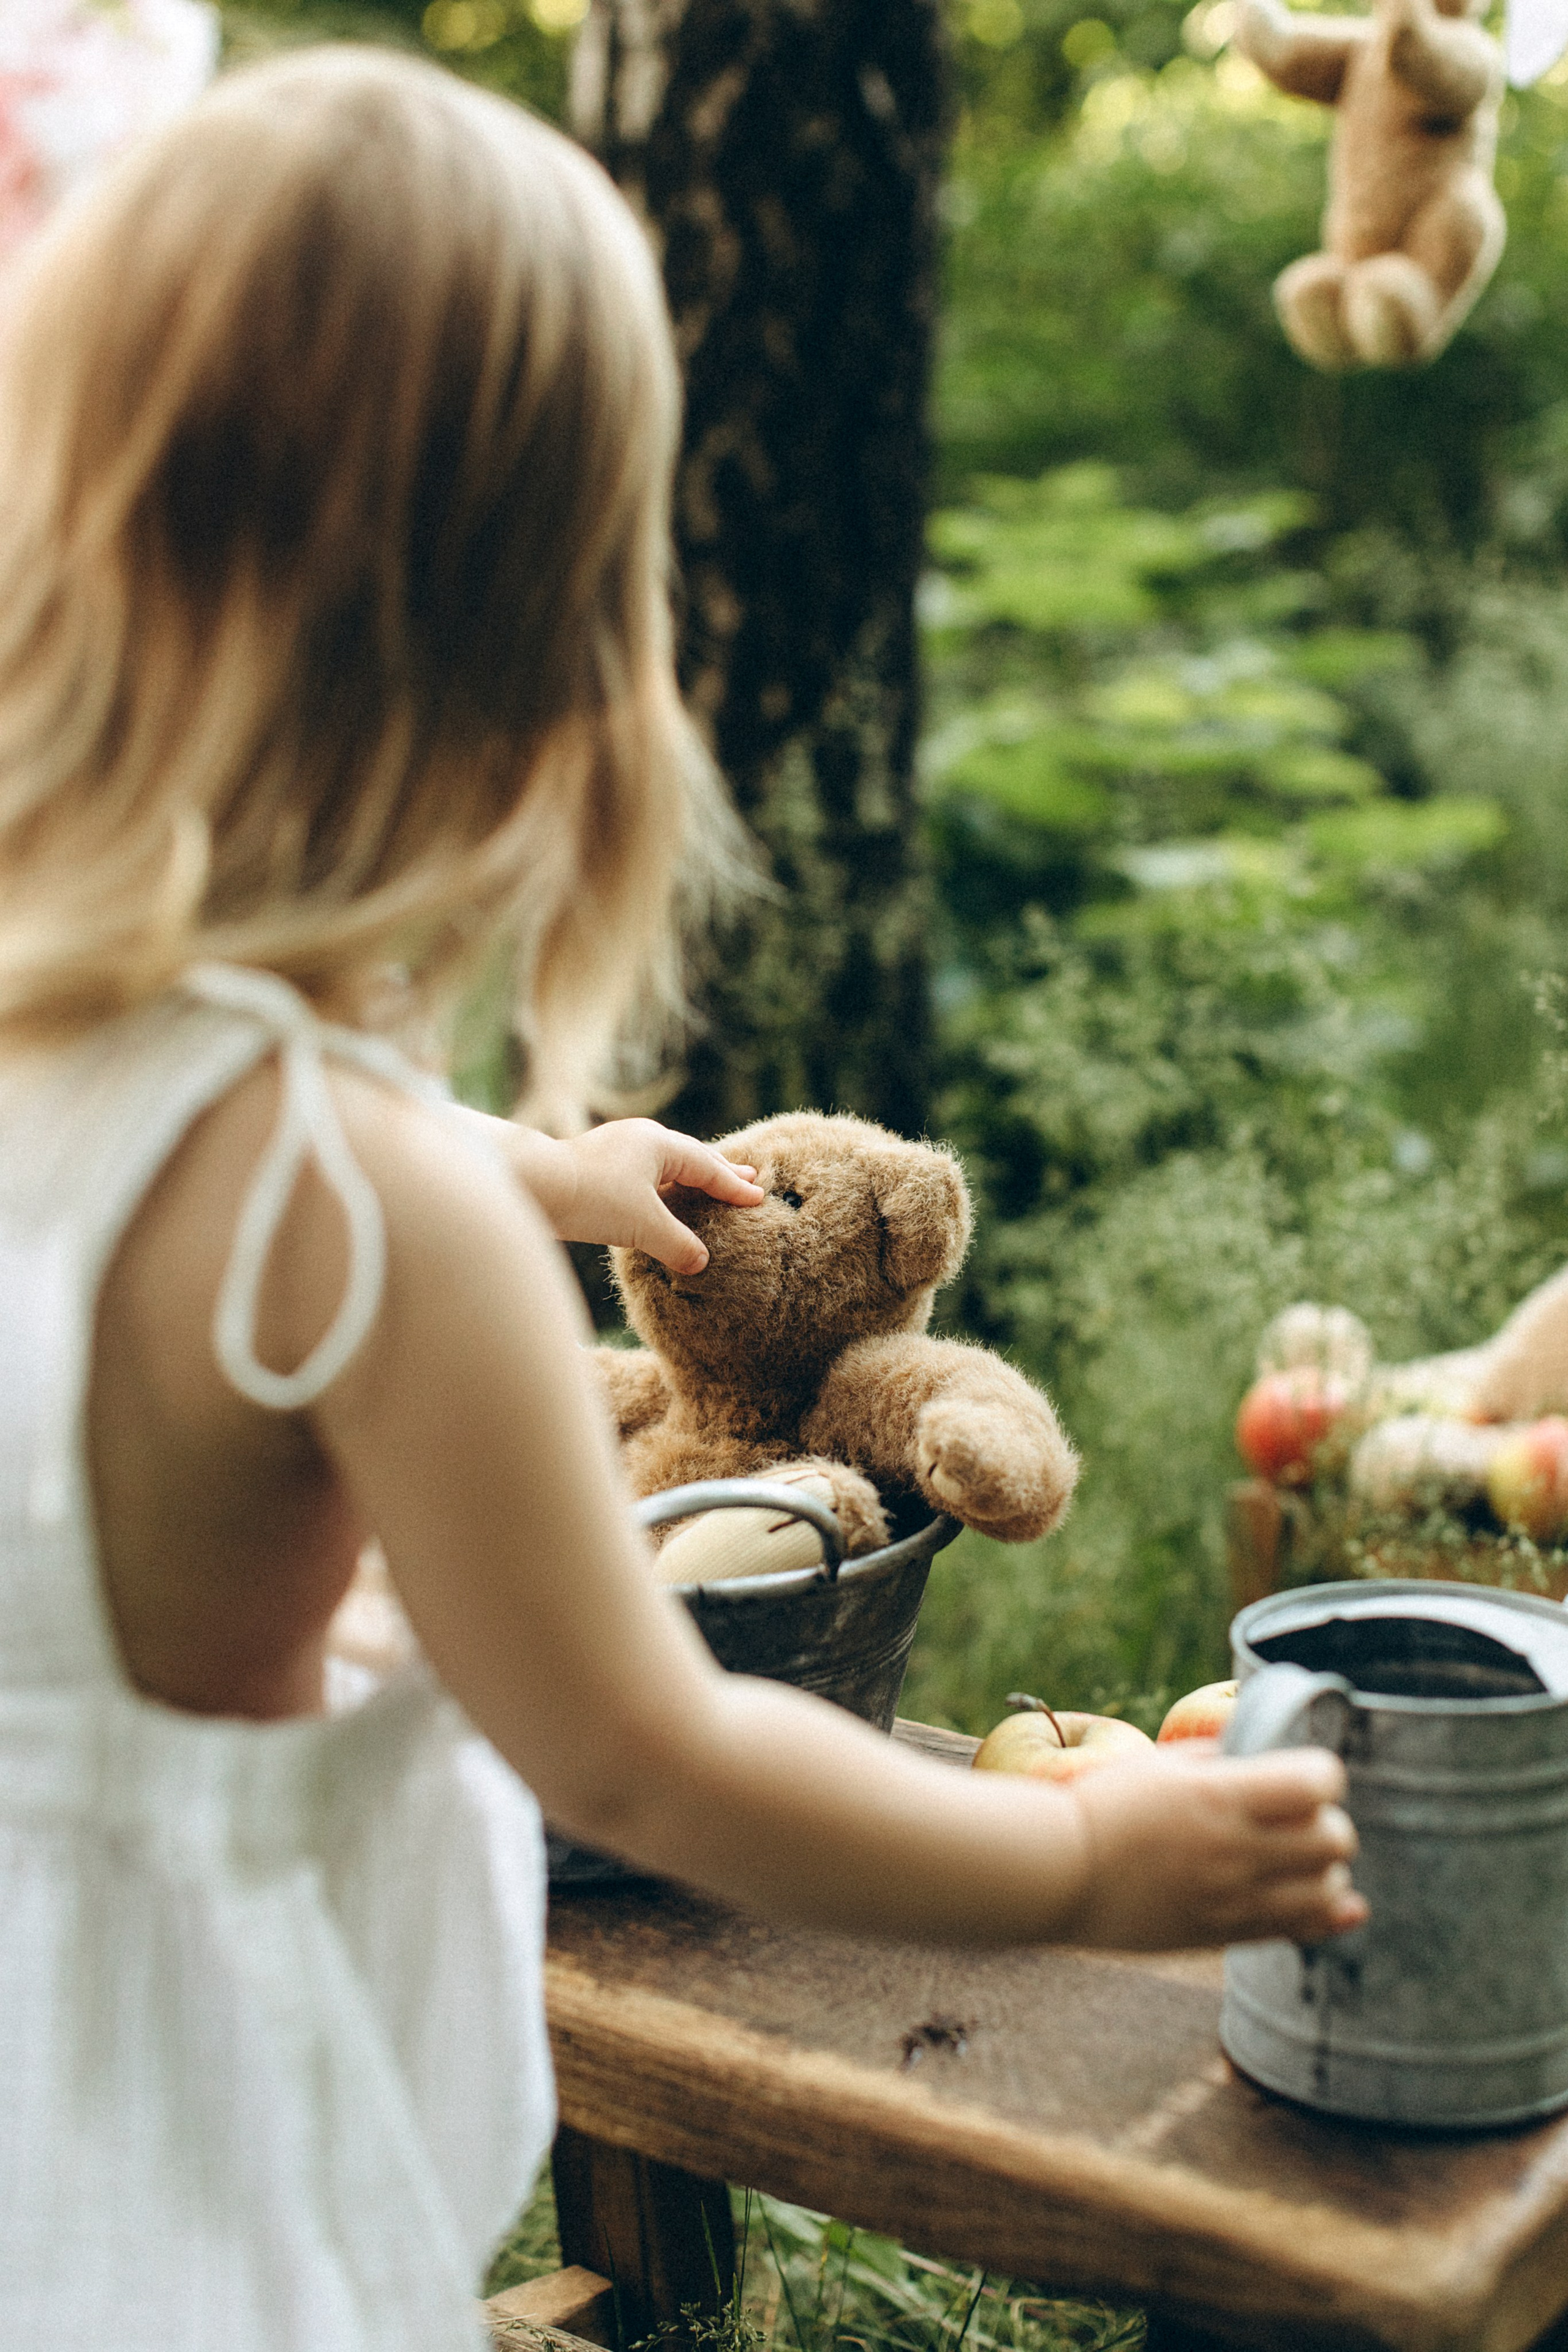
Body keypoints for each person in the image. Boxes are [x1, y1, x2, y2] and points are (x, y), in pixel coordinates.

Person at [0, 46, 1365, 2350]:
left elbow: (216, 1154)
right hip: (182, 2189)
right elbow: (644, 1744)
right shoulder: (378, 1231)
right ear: (544, 665)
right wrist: (1074, 1859)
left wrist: (542, 1170)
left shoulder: (69, 1042)